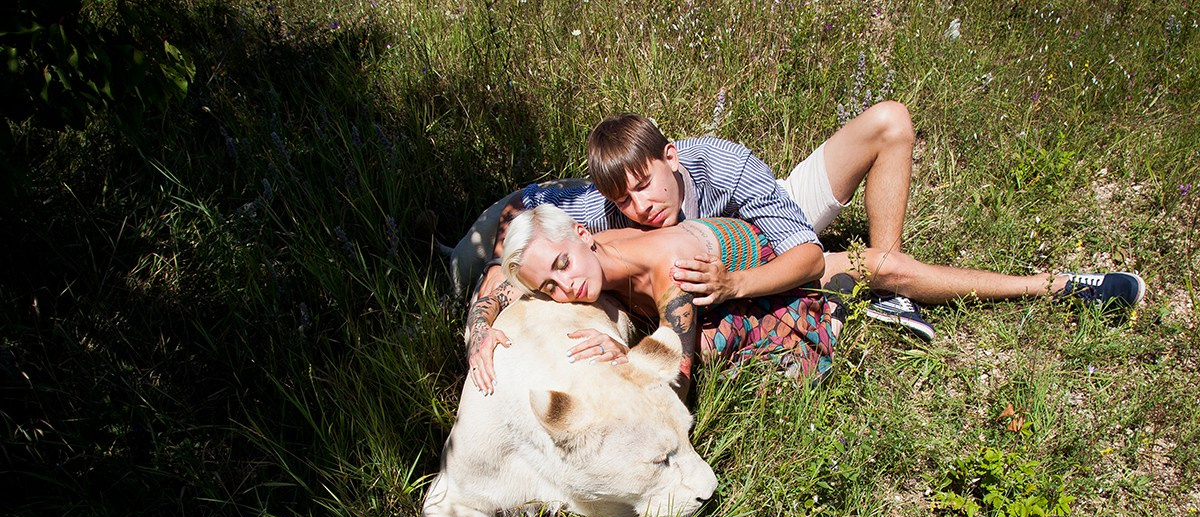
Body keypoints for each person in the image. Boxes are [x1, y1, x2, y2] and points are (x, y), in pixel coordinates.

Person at [463, 106, 1145, 390]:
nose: (640, 206)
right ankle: (911, 284)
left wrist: (733, 289)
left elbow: (807, 258)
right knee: (875, 271)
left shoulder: (723, 166)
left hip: (776, 229)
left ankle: (1035, 285)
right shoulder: (594, 212)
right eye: (626, 200)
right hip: (731, 252)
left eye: (648, 185)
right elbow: (510, 251)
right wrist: (479, 330)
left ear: (672, 158)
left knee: (889, 125)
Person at [489, 204, 841, 401]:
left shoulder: (674, 270)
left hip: (771, 289)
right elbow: (500, 291)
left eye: (563, 264)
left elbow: (677, 381)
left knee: (708, 350)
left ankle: (843, 290)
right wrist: (480, 335)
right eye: (550, 286)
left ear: (583, 234)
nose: (567, 285)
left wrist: (628, 355)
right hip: (715, 280)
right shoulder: (592, 251)